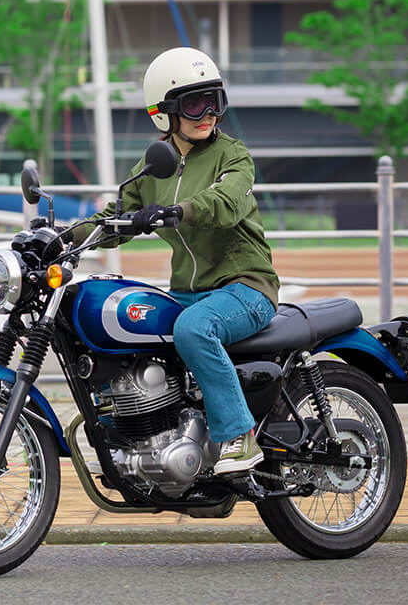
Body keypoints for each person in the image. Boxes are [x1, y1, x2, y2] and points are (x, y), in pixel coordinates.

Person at [72, 46, 280, 476]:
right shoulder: (154, 167)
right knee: (130, 326)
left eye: (214, 101)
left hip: (244, 287)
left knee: (193, 328)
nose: (207, 113)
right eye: (193, 103)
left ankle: (238, 436)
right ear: (163, 112)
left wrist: (177, 210)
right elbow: (113, 219)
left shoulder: (233, 156)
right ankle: (146, 436)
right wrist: (60, 238)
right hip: (187, 292)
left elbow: (224, 202)